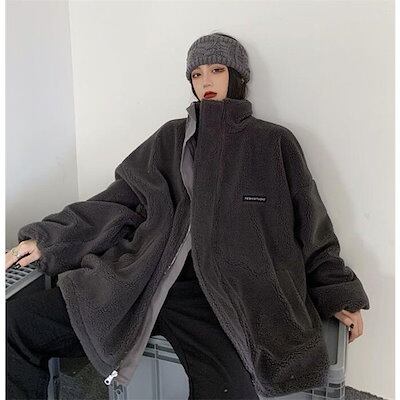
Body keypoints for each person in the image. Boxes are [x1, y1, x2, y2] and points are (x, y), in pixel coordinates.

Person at [5, 32, 369, 400]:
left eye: (217, 70)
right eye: (196, 74)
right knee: (15, 324)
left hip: (221, 296)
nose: (206, 81)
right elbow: (117, 201)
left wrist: (336, 292)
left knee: (228, 390)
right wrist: (50, 239)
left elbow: (312, 225)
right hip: (144, 277)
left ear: (238, 76)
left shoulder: (273, 143)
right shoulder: (170, 138)